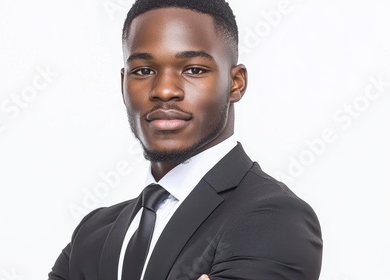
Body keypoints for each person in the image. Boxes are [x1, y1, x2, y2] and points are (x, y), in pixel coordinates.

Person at [48, 0, 323, 279]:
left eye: (193, 69)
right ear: (123, 84)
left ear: (236, 83)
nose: (164, 90)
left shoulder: (273, 218)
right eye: (143, 70)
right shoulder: (93, 233)